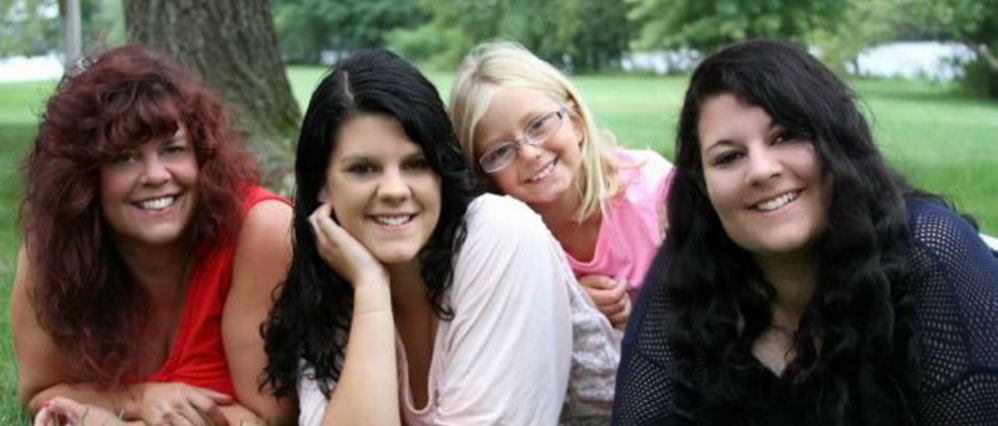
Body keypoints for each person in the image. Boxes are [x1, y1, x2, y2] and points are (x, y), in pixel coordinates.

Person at [612, 39, 998, 425]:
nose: (762, 170)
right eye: (729, 157)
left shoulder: (931, 251)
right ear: (701, 185)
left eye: (785, 137)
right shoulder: (687, 272)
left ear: (837, 141)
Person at [261, 49, 616, 425]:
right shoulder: (332, 286)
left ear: (441, 171)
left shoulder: (501, 235)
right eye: (363, 169)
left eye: (416, 164)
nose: (395, 189)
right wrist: (370, 290)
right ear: (322, 187)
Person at [11, 45, 295, 426]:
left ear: (202, 155)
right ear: (83, 177)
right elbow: (41, 393)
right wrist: (143, 398)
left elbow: (268, 417)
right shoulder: (53, 250)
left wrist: (108, 418)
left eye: (173, 149)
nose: (157, 175)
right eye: (124, 157)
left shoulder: (261, 231)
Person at [449, 41, 674, 330]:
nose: (529, 154)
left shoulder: (656, 192)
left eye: (538, 125)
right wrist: (572, 308)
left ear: (576, 122)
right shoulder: (502, 243)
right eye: (500, 151)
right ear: (483, 174)